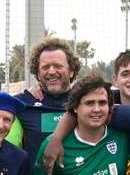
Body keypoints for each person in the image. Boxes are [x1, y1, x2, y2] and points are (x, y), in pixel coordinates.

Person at [14, 36, 80, 164]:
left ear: (71, 71)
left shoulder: (85, 102)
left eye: (58, 66)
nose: (51, 71)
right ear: (37, 74)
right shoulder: (23, 102)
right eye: (45, 67)